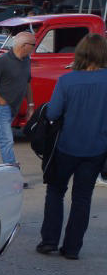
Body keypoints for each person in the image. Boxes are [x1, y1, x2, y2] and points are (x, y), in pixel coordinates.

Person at [36, 35, 107, 260]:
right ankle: (72, 248)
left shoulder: (67, 80)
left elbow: (53, 113)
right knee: (83, 198)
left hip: (66, 146)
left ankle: (49, 241)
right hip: (97, 148)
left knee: (55, 192)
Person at [0, 31, 35, 168]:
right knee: (6, 140)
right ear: (24, 45)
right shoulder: (2, 61)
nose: (35, 47)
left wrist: (30, 105)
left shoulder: (26, 60)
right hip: (0, 107)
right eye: (33, 44)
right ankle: (12, 174)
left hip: (12, 107)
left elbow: (27, 82)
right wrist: (2, 102)